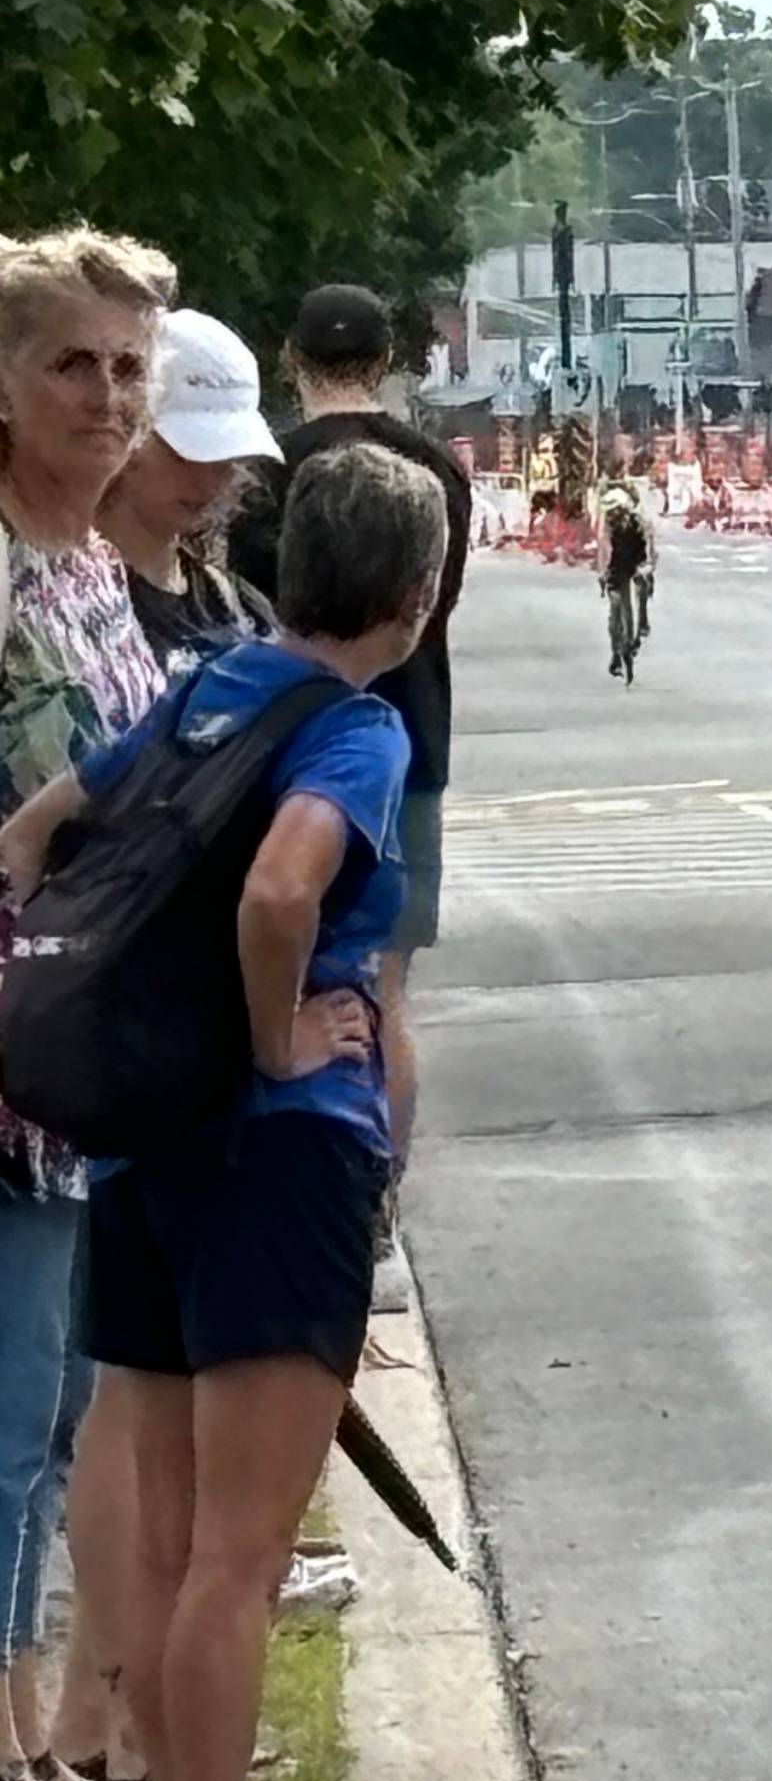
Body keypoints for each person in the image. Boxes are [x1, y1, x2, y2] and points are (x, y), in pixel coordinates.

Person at [0, 440, 445, 1781]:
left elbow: (34, 831)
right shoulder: (359, 729)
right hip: (282, 1149)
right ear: (418, 598)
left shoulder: (200, 680)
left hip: (148, 1141)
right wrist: (279, 1039)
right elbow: (279, 894)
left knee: (166, 1543)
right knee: (240, 1564)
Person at [0, 224, 176, 1781]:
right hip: (11, 1052)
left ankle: (37, 1732)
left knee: (53, 1419)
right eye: (71, 361)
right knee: (5, 1423)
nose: (109, 396)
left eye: (129, 367)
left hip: (87, 1059)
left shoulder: (84, 563)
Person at [226, 285, 472, 1246]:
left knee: (269, 958)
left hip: (268, 744)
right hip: (403, 743)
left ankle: (272, 1168)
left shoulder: (262, 467)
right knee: (383, 985)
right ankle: (373, 1202)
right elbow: (434, 612)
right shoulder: (434, 475)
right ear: (386, 360)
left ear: (294, 360)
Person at [95, 311, 280, 674]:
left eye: (228, 457)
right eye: (185, 455)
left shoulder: (242, 610)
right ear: (126, 432)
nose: (210, 482)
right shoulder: (57, 604)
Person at [596, 486, 653, 678]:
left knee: (640, 594)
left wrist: (648, 566)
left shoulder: (640, 523)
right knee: (615, 614)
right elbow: (604, 551)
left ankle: (641, 626)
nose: (613, 515)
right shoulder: (608, 527)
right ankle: (615, 654)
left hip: (637, 566)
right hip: (616, 570)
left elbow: (650, 547)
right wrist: (602, 574)